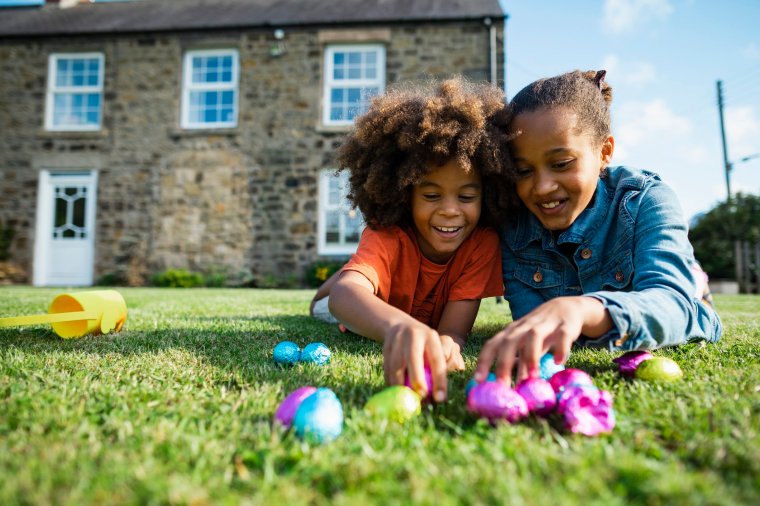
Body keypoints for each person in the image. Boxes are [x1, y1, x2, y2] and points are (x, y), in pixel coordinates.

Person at [474, 70, 723, 385]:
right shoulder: (513, 228)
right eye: (523, 170)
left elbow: (679, 310)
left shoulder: (648, 200)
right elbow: (534, 328)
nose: (543, 187)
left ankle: (692, 276)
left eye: (562, 164)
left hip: (665, 291)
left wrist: (585, 309)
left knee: (683, 288)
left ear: (604, 152)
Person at [311, 77, 515, 402]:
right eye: (431, 195)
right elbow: (343, 299)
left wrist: (448, 343)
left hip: (398, 300)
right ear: (405, 195)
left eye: (466, 196)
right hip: (361, 307)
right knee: (324, 302)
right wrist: (396, 326)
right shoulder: (387, 233)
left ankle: (361, 271)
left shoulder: (482, 244)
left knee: (358, 278)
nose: (450, 211)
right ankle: (354, 272)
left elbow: (454, 331)